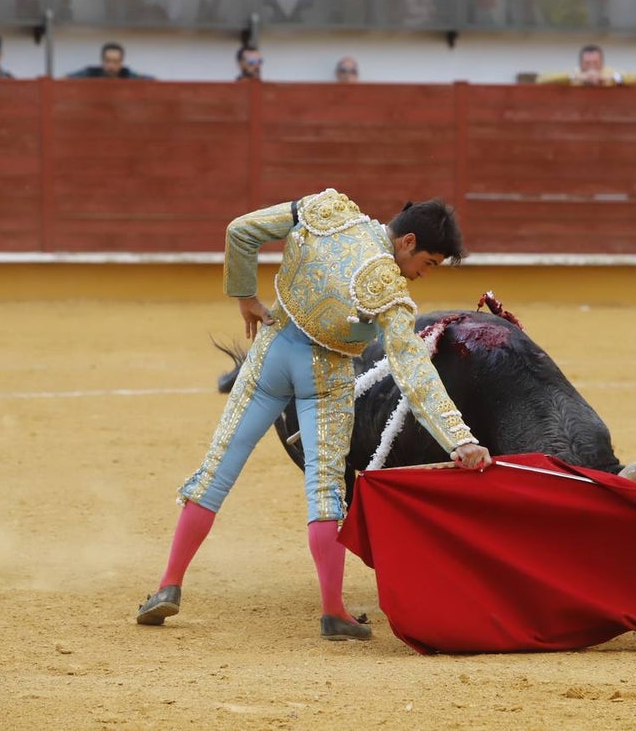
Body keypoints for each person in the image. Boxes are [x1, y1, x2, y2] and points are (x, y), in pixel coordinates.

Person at [134, 189, 493, 641]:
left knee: (216, 471)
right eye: (429, 263)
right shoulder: (387, 285)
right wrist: (460, 438)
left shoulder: (328, 211)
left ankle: (169, 584)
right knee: (324, 492)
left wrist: (245, 295)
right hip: (324, 378)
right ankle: (333, 611)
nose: (424, 274)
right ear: (408, 243)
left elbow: (240, 231)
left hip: (270, 356)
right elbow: (412, 369)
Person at [535, 44, 636, 87]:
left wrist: (613, 78)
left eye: (595, 63)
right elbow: (540, 80)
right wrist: (575, 77)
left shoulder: (609, 74)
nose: (591, 67)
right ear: (580, 65)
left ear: (602, 64)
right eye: (587, 63)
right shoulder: (575, 75)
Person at [66, 42, 154, 79]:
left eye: (115, 61)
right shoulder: (91, 73)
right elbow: (65, 79)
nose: (111, 65)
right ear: (102, 61)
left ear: (121, 63)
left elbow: (152, 81)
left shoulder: (127, 74)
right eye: (108, 61)